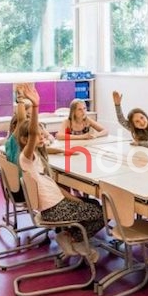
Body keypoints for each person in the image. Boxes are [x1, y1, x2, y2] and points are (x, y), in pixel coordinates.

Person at [18, 84, 104, 262]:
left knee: (94, 204)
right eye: (38, 136)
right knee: (103, 213)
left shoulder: (38, 156)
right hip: (54, 210)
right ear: (25, 140)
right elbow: (32, 134)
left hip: (56, 203)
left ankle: (72, 237)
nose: (42, 137)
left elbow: (53, 186)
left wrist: (75, 199)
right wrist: (35, 106)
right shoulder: (27, 158)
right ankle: (73, 238)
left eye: (43, 135)